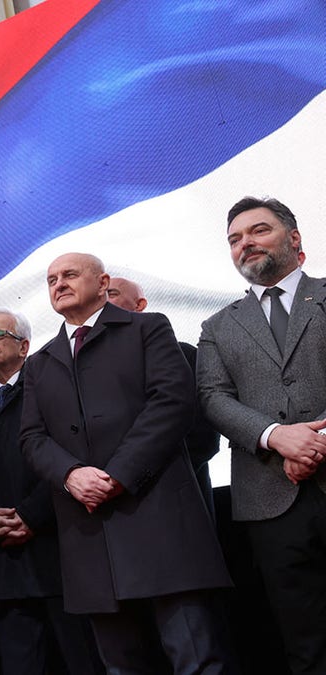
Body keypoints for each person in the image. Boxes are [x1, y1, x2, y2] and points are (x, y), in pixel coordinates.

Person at [19, 252, 232, 673]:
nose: (58, 284)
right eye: (51, 279)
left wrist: (118, 475)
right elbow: (31, 437)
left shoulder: (148, 329)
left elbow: (171, 403)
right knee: (121, 666)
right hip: (88, 531)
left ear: (102, 283)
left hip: (157, 519)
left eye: (70, 275)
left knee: (195, 657)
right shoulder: (39, 363)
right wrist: (70, 474)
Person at [198, 196, 326, 674]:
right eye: (234, 239)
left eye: (258, 231)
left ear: (294, 238)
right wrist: (276, 436)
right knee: (303, 639)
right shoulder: (216, 325)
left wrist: (314, 441)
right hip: (268, 499)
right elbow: (212, 397)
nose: (245, 244)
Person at [0, 310, 102, 675]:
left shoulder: (51, 389)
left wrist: (31, 515)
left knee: (85, 661)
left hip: (60, 556)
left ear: (24, 346)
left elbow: (73, 456)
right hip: (2, 568)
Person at [107, 276, 220, 518]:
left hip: (180, 501)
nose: (103, 301)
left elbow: (203, 437)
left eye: (112, 293)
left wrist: (129, 474)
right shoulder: (82, 369)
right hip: (114, 509)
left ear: (140, 304)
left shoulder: (185, 355)